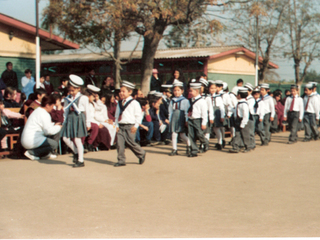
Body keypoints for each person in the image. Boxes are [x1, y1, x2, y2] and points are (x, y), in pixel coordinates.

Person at [114, 80, 146, 167]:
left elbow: (138, 116)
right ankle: (121, 160)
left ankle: (141, 153)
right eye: (120, 91)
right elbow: (116, 115)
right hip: (121, 126)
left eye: (123, 91)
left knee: (130, 143)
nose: (121, 93)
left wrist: (136, 126)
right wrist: (116, 125)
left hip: (130, 126)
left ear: (130, 92)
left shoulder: (134, 103)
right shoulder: (119, 103)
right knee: (119, 144)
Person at [61, 74, 90, 168]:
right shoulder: (68, 98)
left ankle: (81, 160)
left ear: (78, 89)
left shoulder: (83, 98)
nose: (71, 92)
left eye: (73, 90)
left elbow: (87, 111)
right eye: (69, 90)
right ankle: (76, 152)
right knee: (65, 138)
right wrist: (64, 120)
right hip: (70, 118)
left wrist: (87, 122)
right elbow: (65, 110)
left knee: (77, 140)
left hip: (78, 118)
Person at [21, 95, 62, 160]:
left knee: (50, 140)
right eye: (52, 106)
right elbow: (48, 131)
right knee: (54, 144)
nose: (52, 108)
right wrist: (59, 127)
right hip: (31, 140)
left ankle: (45, 154)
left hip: (29, 139)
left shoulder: (38, 111)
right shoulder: (44, 114)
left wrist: (55, 125)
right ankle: (32, 152)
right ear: (47, 105)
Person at [169, 80, 190, 156]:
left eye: (178, 90)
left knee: (182, 135)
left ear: (182, 91)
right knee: (174, 134)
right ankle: (174, 149)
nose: (176, 92)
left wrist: (186, 120)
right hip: (174, 117)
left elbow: (186, 112)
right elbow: (170, 111)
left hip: (181, 118)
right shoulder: (172, 100)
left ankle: (189, 145)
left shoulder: (185, 101)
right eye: (175, 90)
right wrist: (170, 119)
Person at [187, 82, 209, 157]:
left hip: (198, 120)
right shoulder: (191, 100)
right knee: (191, 136)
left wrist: (204, 123)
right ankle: (194, 151)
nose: (190, 93)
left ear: (196, 91)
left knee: (199, 134)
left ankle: (205, 142)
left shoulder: (202, 101)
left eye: (191, 91)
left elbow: (204, 113)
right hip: (191, 119)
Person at [229, 87, 251, 153]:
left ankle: (247, 146)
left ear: (240, 95)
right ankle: (235, 147)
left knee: (245, 135)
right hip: (238, 120)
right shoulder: (238, 103)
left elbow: (245, 115)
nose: (236, 96)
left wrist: (243, 123)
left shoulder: (244, 104)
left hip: (242, 121)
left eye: (237, 94)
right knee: (237, 134)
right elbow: (236, 111)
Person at [244, 82, 255, 151]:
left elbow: (249, 107)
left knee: (250, 131)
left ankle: (252, 144)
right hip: (244, 116)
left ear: (250, 91)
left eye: (247, 90)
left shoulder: (251, 99)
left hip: (250, 116)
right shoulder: (243, 98)